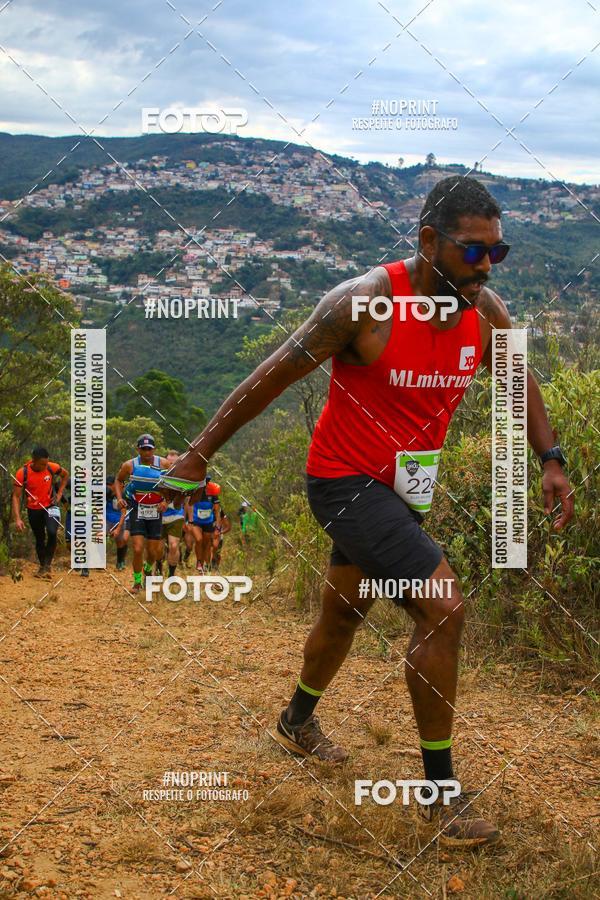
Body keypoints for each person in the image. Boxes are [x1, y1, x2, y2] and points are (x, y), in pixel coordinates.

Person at [159, 177, 574, 847]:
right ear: (429, 241)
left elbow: (517, 376)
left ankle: (297, 720)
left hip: (406, 489)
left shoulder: (484, 309)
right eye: (473, 252)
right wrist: (200, 456)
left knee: (344, 611)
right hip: (344, 480)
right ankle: (439, 793)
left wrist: (551, 459)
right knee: (442, 607)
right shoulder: (363, 305)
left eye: (498, 254)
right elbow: (271, 375)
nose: (484, 268)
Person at [113, 435, 169, 592]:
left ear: (154, 449)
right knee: (137, 549)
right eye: (143, 449)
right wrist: (119, 498)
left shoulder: (164, 464)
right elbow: (118, 480)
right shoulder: (129, 465)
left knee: (152, 551)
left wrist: (166, 501)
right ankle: (137, 582)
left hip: (155, 510)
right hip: (138, 507)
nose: (147, 452)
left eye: (149, 449)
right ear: (138, 449)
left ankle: (147, 568)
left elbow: (173, 484)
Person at [12, 446, 69, 579]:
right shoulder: (22, 473)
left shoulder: (51, 467)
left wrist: (60, 493)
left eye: (46, 463)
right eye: (42, 464)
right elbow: (16, 496)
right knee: (39, 538)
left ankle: (48, 565)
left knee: (52, 531)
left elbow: (65, 475)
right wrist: (17, 519)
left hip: (51, 506)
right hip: (34, 509)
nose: (45, 466)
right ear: (34, 461)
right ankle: (43, 566)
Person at [156, 450, 185, 577]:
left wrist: (190, 520)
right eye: (169, 462)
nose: (172, 465)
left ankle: (171, 575)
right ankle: (158, 567)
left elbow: (187, 499)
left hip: (176, 515)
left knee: (174, 546)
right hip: (159, 516)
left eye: (174, 462)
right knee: (158, 548)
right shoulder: (158, 475)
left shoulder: (183, 477)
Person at [185, 477, 221, 573]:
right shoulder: (194, 492)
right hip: (196, 521)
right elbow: (189, 505)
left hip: (208, 522)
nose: (205, 484)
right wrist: (190, 521)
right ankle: (199, 562)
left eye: (207, 482)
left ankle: (206, 564)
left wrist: (218, 528)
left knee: (207, 544)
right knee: (199, 539)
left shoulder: (213, 493)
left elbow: (217, 511)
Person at [61, 477, 89, 577]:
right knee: (69, 542)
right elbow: (57, 485)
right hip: (71, 515)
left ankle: (85, 567)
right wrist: (64, 501)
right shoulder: (73, 481)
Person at [106, 476, 129, 571]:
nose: (106, 487)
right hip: (106, 519)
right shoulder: (105, 494)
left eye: (109, 485)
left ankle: (120, 561)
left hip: (120, 520)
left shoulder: (123, 495)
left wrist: (118, 528)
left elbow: (124, 513)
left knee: (121, 541)